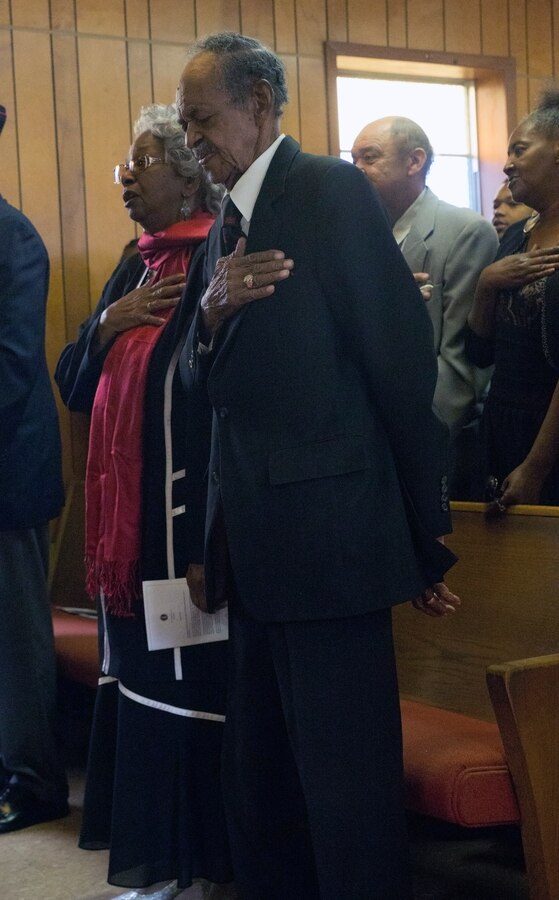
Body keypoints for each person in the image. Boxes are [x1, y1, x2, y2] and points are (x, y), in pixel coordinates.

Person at [177, 33, 460, 900]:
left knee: (347, 794)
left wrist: (421, 532)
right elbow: (196, 380)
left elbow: (399, 361)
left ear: (259, 105)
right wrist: (214, 314)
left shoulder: (327, 190)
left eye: (201, 120)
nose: (193, 140)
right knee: (260, 782)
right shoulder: (222, 228)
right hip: (258, 545)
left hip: (333, 543)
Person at [55, 104, 235, 900]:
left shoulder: (211, 256)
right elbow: (70, 384)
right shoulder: (137, 263)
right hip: (124, 536)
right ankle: (152, 864)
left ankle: (192, 865)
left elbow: (215, 399)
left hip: (181, 518)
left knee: (183, 689)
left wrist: (205, 535)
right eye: (124, 168)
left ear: (188, 175)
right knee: (135, 681)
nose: (126, 181)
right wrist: (103, 327)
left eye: (141, 167)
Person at [351, 117, 498, 496]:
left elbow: (460, 363)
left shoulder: (464, 230)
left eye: (369, 157)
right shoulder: (357, 237)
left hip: (429, 441)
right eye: (353, 160)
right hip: (364, 436)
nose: (357, 170)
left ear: (414, 162)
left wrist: (409, 443)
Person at [0, 102, 68, 833]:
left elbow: (12, 368)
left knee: (14, 637)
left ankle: (35, 779)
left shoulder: (11, 236)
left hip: (6, 471)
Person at [465, 89, 559, 510]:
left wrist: (536, 466)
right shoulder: (517, 237)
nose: (506, 164)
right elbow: (480, 352)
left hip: (548, 437)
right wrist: (486, 283)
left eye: (519, 150)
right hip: (503, 424)